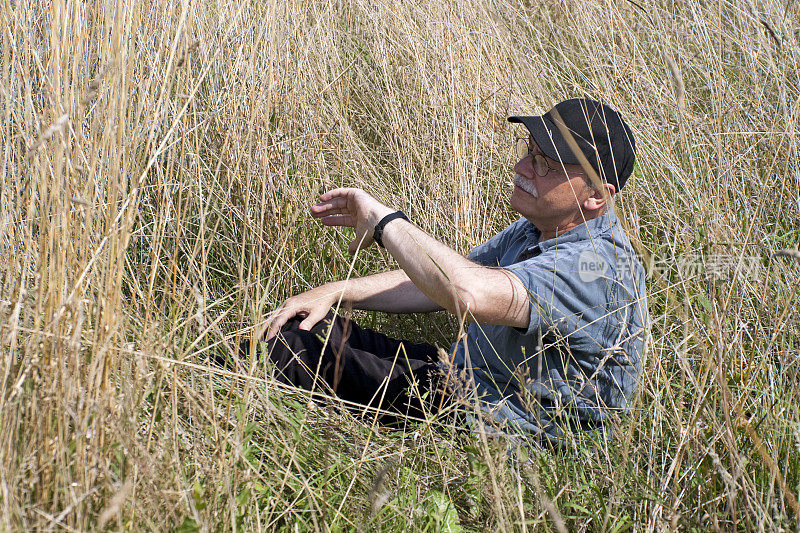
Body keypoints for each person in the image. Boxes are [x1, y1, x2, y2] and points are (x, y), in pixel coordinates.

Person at [235, 98, 650, 444]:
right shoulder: (538, 228)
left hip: (499, 422)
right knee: (307, 327)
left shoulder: (598, 269)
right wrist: (337, 291)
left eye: (545, 165)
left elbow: (465, 292)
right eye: (529, 151)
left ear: (596, 195)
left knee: (294, 353)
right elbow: (436, 280)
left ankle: (209, 412)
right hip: (461, 378)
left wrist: (383, 221)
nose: (523, 168)